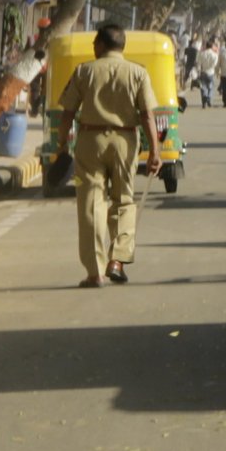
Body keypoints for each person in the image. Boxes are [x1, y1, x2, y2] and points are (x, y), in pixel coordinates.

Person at [53, 24, 157, 287]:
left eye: (94, 44)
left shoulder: (84, 71)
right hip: (125, 140)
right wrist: (155, 151)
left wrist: (61, 144)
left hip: (91, 140)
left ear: (100, 45)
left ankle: (95, 272)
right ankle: (117, 260)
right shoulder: (138, 72)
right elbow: (147, 115)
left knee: (91, 203)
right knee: (124, 201)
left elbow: (67, 113)